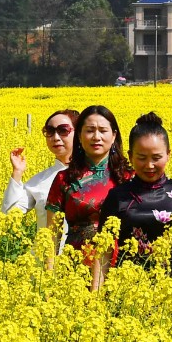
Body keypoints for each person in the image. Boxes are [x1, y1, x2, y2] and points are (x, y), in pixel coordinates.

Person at [94, 113, 172, 287]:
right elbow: (104, 252)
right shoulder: (118, 196)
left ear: (168, 155)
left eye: (156, 158)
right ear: (131, 156)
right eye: (141, 158)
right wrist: (96, 297)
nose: (149, 165)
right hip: (125, 290)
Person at [45, 104, 132, 261]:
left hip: (122, 269)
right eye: (90, 130)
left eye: (103, 131)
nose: (96, 137)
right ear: (79, 135)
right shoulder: (64, 179)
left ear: (113, 136)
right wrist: (49, 277)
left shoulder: (128, 177)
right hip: (75, 269)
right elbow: (52, 235)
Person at [2, 108, 78, 233]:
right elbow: (8, 216)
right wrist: (17, 172)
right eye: (50, 131)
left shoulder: (97, 176)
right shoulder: (39, 181)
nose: (55, 137)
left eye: (63, 130)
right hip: (44, 251)